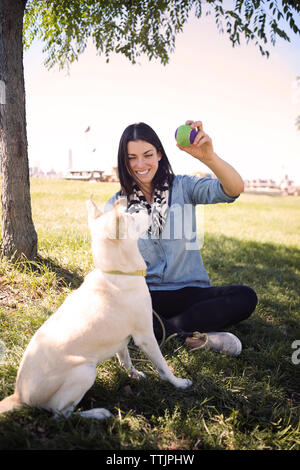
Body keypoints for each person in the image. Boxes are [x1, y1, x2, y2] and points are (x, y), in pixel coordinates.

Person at [105, 120, 258, 356]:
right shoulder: (117, 205)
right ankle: (186, 338)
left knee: (245, 297)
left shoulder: (184, 187)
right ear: (124, 161)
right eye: (132, 158)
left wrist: (208, 158)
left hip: (190, 292)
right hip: (146, 296)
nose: (140, 164)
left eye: (147, 155)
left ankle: (163, 330)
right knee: (116, 307)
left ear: (159, 155)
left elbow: (234, 188)